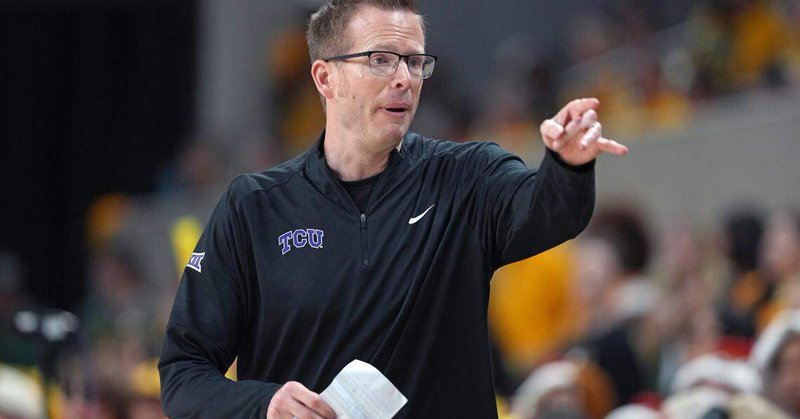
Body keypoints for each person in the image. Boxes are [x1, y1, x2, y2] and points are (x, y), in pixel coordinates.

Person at [158, 0, 628, 418]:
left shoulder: (466, 177)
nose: (404, 78)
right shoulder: (253, 208)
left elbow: (545, 211)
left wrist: (566, 165)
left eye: (415, 61)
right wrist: (264, 404)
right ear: (325, 77)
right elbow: (184, 373)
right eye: (380, 60)